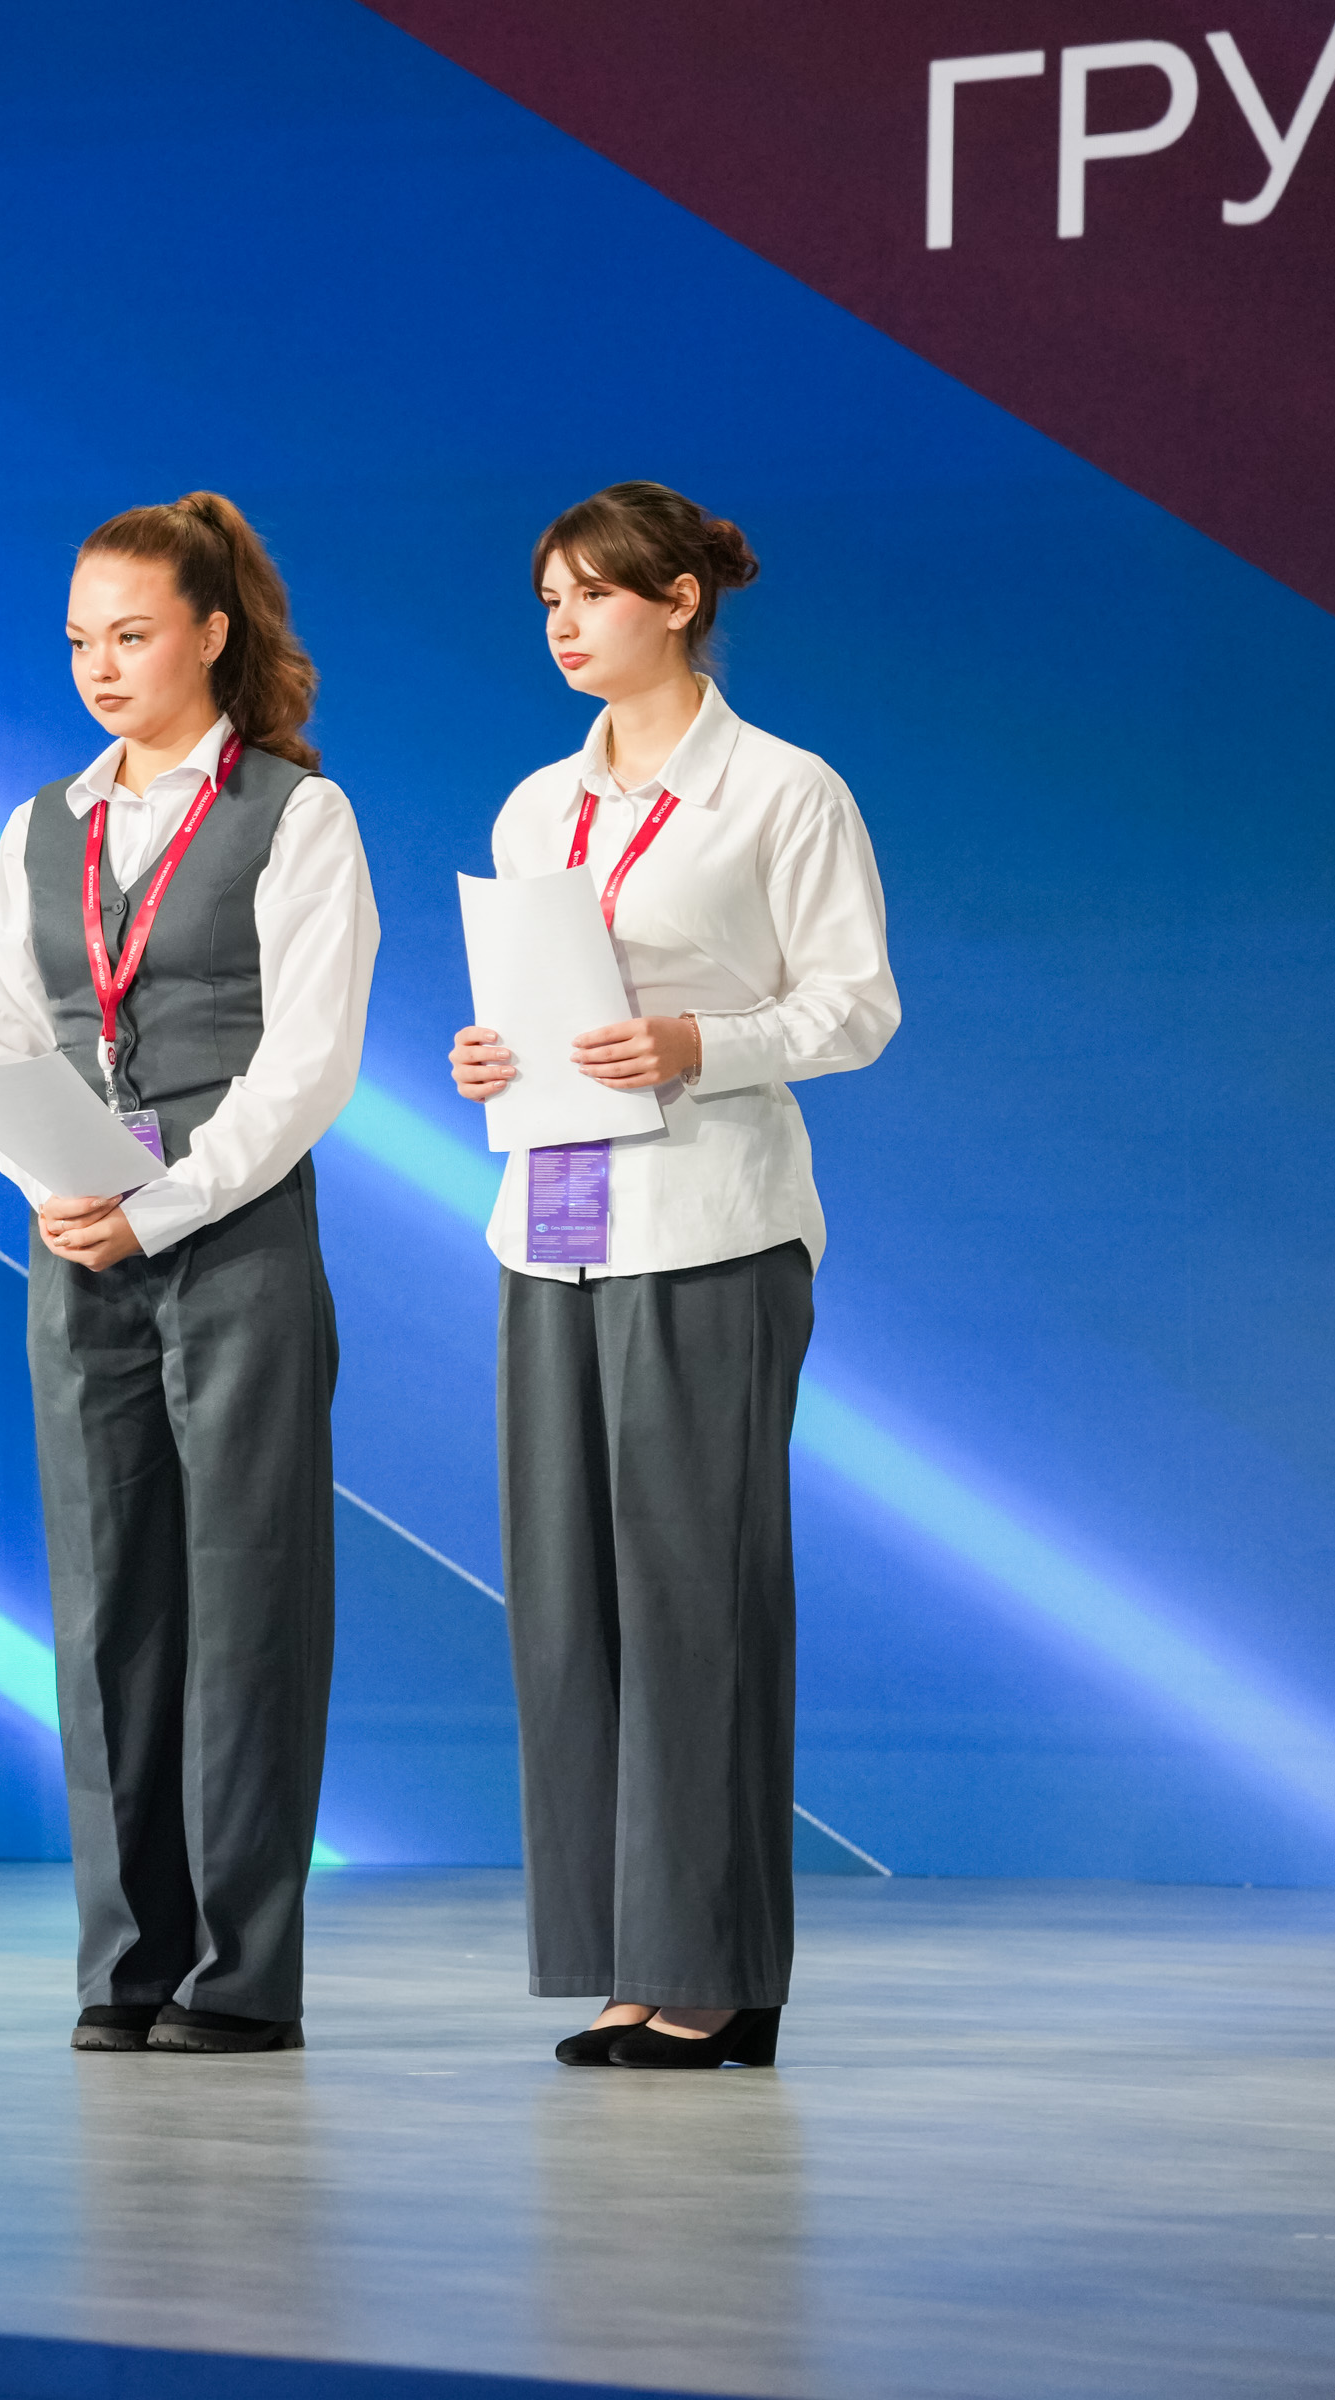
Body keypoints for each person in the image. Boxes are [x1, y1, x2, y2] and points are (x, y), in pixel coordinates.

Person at [448, 484, 897, 2069]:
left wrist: (701, 1040)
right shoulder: (535, 807)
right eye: (548, 601)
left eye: (593, 594)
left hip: (711, 1226)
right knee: (569, 1604)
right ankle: (623, 1960)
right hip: (554, 1224)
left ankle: (713, 1970)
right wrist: (491, 1058)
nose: (564, 625)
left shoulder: (782, 790)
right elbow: (535, 1010)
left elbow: (856, 1008)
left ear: (682, 599)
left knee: (697, 1599)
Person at [0, 495, 378, 2056]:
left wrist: (172, 1202)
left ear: (211, 632)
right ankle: (125, 1964)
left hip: (237, 1238)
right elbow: (1, 1030)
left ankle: (239, 1974)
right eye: (80, 639)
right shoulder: (39, 826)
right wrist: (61, 1190)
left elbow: (310, 1062)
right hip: (81, 1243)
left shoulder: (296, 814)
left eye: (131, 635)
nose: (101, 666)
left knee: (248, 1600)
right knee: (103, 1605)